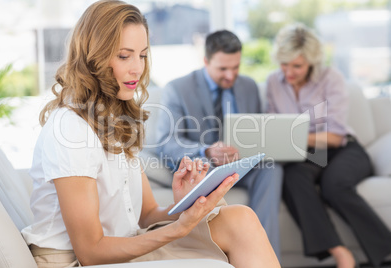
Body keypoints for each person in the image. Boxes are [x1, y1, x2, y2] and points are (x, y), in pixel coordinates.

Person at [20, 1, 281, 268]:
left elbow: (146, 214)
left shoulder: (113, 119)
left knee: (240, 219)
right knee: (234, 225)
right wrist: (178, 228)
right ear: (92, 58)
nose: (138, 68)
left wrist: (187, 205)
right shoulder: (71, 128)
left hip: (124, 243)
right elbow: (91, 251)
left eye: (142, 55)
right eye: (124, 56)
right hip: (76, 260)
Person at [266, 23, 391, 268]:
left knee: (334, 185)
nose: (288, 72)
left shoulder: (331, 78)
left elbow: (334, 136)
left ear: (311, 62)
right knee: (292, 176)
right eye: (284, 64)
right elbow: (272, 125)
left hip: (343, 149)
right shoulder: (273, 82)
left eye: (297, 66)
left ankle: (386, 249)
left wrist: (290, 133)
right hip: (304, 154)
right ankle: (341, 253)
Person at [156, 30, 283, 260]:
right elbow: (167, 142)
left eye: (235, 67)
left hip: (241, 164)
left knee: (272, 170)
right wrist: (206, 150)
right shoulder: (178, 89)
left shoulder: (249, 86)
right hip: (206, 167)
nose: (230, 75)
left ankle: (265, 256)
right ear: (206, 61)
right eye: (223, 69)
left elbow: (256, 129)